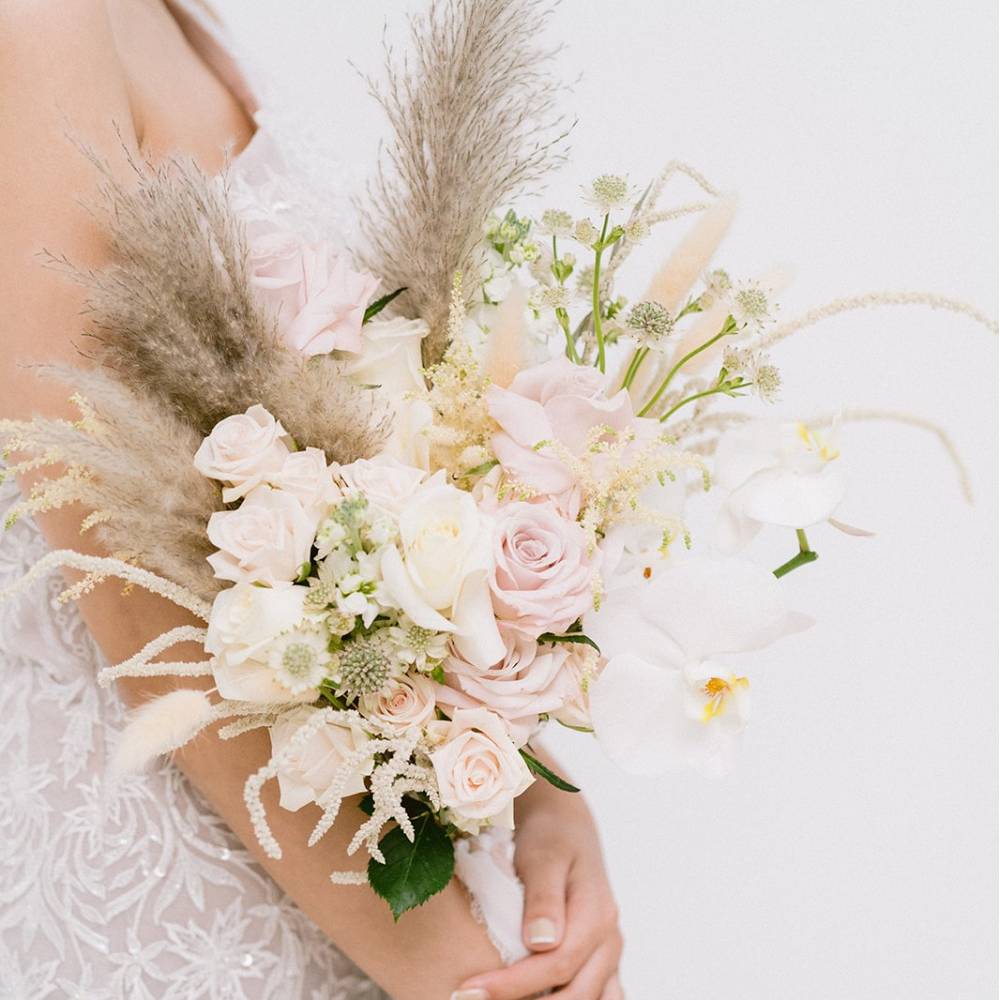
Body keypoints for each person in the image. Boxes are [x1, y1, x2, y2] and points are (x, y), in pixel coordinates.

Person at [0, 1, 625, 997]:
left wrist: (532, 789)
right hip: (188, 881)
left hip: (356, 844)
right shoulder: (37, 25)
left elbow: (352, 477)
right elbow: (111, 558)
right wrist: (453, 967)